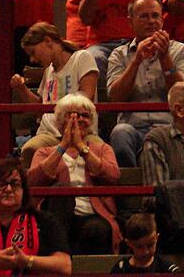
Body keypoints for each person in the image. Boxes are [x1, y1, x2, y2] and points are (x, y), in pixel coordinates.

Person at [107, 0, 184, 167]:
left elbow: (183, 96)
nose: (151, 21)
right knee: (119, 133)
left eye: (155, 15)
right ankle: (131, 191)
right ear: (130, 21)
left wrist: (165, 58)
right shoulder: (118, 55)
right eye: (144, 16)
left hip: (170, 127)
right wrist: (136, 60)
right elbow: (115, 98)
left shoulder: (183, 51)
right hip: (132, 129)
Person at [28, 94, 122, 255]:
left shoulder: (102, 149)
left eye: (84, 116)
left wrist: (81, 147)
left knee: (98, 230)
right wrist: (63, 146)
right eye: (72, 115)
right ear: (59, 121)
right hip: (56, 218)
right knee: (61, 189)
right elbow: (33, 181)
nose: (79, 119)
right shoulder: (44, 152)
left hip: (92, 216)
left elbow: (113, 176)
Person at [12, 22, 100, 166]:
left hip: (80, 131)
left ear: (48, 41)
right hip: (48, 134)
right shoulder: (48, 71)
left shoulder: (82, 58)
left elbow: (86, 99)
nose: (32, 60)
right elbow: (40, 109)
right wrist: (22, 89)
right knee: (29, 149)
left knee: (99, 149)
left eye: (33, 52)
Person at [0, 158, 71, 274]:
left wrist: (27, 261)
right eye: (1, 184)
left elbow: (65, 265)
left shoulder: (44, 220)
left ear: (24, 190)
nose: (8, 189)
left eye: (15, 184)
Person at [110, 213, 180, 273]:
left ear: (156, 238)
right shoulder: (121, 269)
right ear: (129, 243)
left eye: (150, 245)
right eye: (139, 247)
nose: (145, 252)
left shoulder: (167, 269)